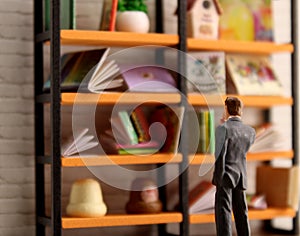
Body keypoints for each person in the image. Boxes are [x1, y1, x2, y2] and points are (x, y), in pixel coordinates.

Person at [212, 96, 256, 236]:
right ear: (240, 110)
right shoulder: (250, 131)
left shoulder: (222, 129)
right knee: (241, 209)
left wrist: (217, 178)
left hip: (225, 174)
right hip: (241, 173)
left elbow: (220, 156)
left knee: (223, 210)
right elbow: (242, 150)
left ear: (226, 109)